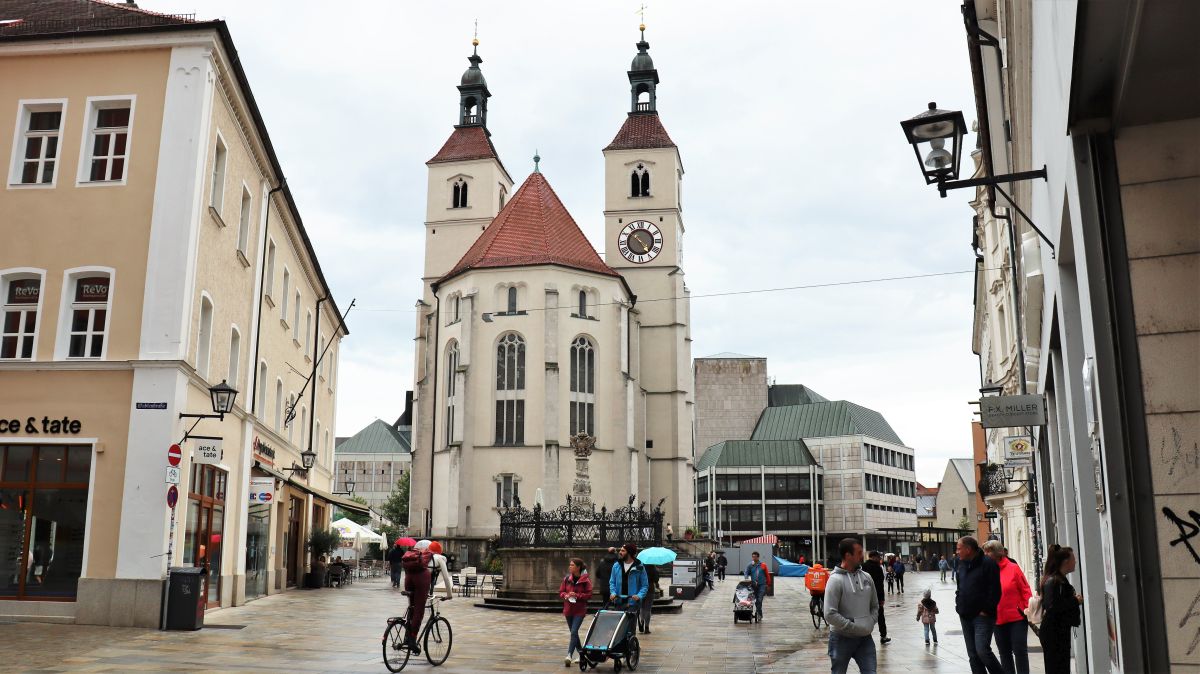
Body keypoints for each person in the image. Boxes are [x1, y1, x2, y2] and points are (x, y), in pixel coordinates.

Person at [824, 538, 878, 674]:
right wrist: (852, 627)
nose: (862, 556)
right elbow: (829, 613)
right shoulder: (835, 580)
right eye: (859, 552)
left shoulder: (867, 577)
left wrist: (870, 622)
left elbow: (875, 605)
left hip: (865, 638)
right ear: (848, 555)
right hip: (841, 638)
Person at [955, 536, 1004, 674]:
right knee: (973, 656)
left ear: (968, 549)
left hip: (982, 616)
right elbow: (960, 588)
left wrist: (986, 610)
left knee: (982, 651)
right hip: (965, 615)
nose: (957, 552)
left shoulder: (988, 563)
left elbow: (995, 590)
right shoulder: (962, 564)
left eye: (959, 548)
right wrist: (959, 605)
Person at [982, 541, 1031, 674]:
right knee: (1004, 654)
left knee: (1020, 652)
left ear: (998, 553)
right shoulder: (986, 571)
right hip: (997, 620)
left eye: (988, 551)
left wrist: (1026, 609)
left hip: (1017, 618)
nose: (985, 554)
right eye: (984, 551)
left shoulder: (1013, 568)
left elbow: (1025, 590)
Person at [1038, 544, 1082, 674]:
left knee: (1060, 667)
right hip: (1054, 633)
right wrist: (1075, 600)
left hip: (1059, 630)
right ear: (1065, 562)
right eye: (1073, 559)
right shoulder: (1054, 581)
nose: (1075, 562)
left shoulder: (1057, 580)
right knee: (1057, 668)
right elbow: (1052, 607)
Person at [401, 542, 433, 653]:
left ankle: (407, 636)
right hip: (421, 580)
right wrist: (449, 595)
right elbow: (447, 580)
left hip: (408, 579)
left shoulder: (411, 554)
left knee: (412, 608)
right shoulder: (437, 557)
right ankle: (412, 639)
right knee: (419, 611)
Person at [559, 557, 592, 666]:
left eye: (572, 565)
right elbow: (561, 592)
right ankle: (582, 654)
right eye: (570, 565)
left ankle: (569, 655)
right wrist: (566, 595)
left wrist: (577, 595)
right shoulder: (567, 579)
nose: (570, 567)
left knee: (573, 632)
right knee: (574, 633)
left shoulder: (585, 581)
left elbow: (589, 595)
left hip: (579, 610)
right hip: (568, 609)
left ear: (578, 567)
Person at [861, 551, 889, 644]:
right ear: (873, 557)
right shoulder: (878, 568)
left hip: (864, 596)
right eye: (878, 557)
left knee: (864, 615)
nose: (879, 559)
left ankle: (864, 635)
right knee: (880, 616)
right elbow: (880, 584)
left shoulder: (863, 566)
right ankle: (883, 636)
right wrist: (882, 599)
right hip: (876, 596)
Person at [743, 551, 771, 621]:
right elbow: (746, 571)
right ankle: (759, 614)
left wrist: (768, 584)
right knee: (755, 600)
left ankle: (758, 613)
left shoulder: (763, 565)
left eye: (755, 557)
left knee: (759, 599)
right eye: (752, 557)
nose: (753, 558)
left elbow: (767, 575)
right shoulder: (750, 565)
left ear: (758, 557)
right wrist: (746, 577)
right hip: (753, 585)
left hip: (762, 585)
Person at [640, 562, 659, 633]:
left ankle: (641, 624)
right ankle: (646, 627)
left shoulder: (641, 567)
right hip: (650, 589)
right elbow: (656, 580)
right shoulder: (653, 569)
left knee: (642, 607)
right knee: (648, 609)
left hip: (641, 589)